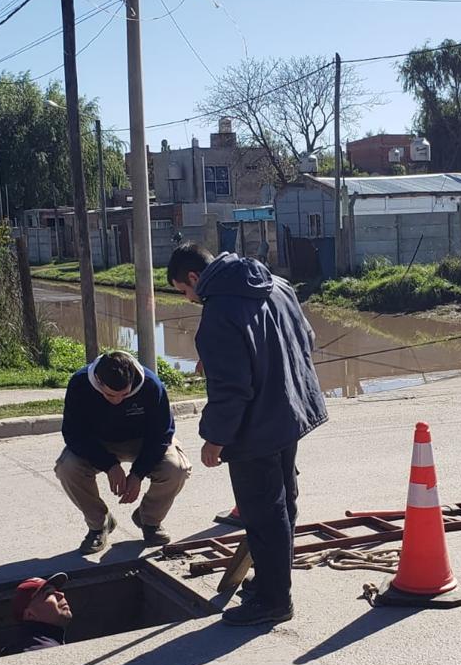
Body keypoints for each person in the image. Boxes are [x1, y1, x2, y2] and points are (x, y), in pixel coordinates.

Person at [167, 244, 327, 626]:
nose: (188, 300)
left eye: (183, 291)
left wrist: (214, 439)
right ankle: (274, 582)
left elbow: (232, 390)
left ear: (194, 278)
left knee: (263, 513)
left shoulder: (219, 312)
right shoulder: (278, 285)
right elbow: (307, 338)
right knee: (283, 501)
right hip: (291, 410)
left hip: (254, 428)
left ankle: (274, 600)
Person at [55, 350, 191, 554]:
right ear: (98, 381)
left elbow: (162, 435)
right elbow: (74, 434)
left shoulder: (151, 385)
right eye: (110, 395)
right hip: (100, 444)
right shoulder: (80, 383)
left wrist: (138, 473)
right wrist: (109, 465)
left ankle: (149, 520)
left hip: (143, 442)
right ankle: (99, 525)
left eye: (124, 394)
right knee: (67, 468)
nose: (117, 400)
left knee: (176, 468)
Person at [1, 572, 71, 655]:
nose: (61, 594)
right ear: (30, 614)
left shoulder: (28, 643)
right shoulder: (42, 650)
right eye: (49, 593)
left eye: (56, 591)